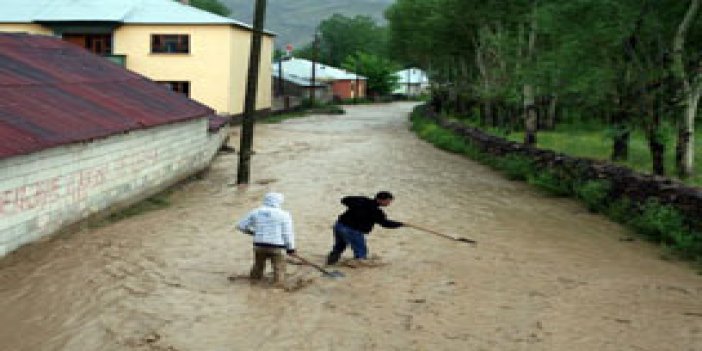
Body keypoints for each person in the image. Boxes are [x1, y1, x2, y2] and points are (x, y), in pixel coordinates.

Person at [326, 191, 404, 265]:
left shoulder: (362, 200)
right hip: (352, 231)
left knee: (339, 246)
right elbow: (385, 223)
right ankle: (358, 271)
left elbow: (344, 200)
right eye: (388, 201)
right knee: (361, 253)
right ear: (381, 200)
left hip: (339, 226)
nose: (389, 203)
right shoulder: (376, 212)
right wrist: (400, 224)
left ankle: (330, 262)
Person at [236, 192, 295, 285]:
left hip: (259, 245)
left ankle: (253, 283)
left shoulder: (256, 211)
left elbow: (240, 226)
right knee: (279, 268)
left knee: (258, 266)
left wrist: (253, 232)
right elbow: (287, 233)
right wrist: (291, 248)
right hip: (276, 246)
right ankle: (278, 288)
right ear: (280, 202)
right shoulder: (284, 214)